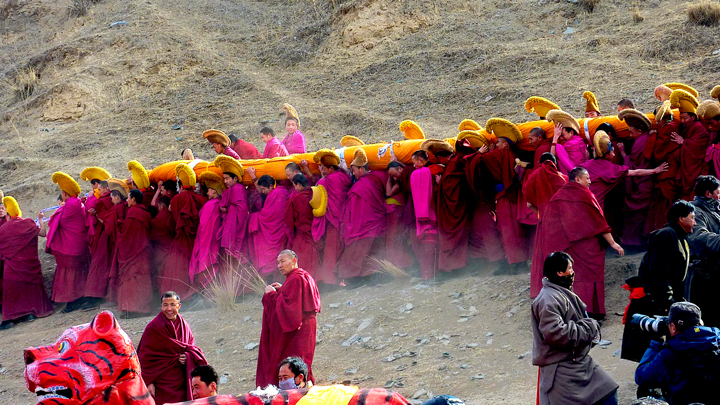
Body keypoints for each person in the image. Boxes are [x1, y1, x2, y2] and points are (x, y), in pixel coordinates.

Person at [531, 251, 619, 405]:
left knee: (608, 392)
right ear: (559, 272)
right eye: (570, 268)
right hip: (561, 368)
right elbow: (557, 334)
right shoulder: (547, 299)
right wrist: (589, 326)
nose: (572, 272)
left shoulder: (560, 292)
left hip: (579, 361)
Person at [540, 167, 624, 317]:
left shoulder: (557, 196)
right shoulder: (586, 195)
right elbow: (599, 221)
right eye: (587, 178)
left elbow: (550, 225)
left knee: (572, 278)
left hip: (566, 247)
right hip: (586, 246)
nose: (590, 182)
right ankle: (593, 312)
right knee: (589, 277)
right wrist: (612, 243)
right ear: (577, 179)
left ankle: (573, 312)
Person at [621, 200, 696, 363]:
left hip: (664, 299)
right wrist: (666, 301)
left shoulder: (679, 237)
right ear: (681, 218)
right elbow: (658, 270)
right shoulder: (666, 235)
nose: (695, 222)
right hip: (654, 300)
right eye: (692, 217)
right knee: (651, 347)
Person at [256, 250, 321, 388]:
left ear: (294, 261)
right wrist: (281, 291)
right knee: (301, 360)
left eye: (283, 261)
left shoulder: (297, 278)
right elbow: (292, 301)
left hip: (298, 330)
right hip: (305, 326)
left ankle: (298, 390)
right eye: (278, 263)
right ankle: (305, 386)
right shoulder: (301, 276)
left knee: (293, 361)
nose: (279, 265)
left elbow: (290, 310)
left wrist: (270, 296)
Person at [635, 302, 720, 405]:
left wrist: (655, 343)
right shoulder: (717, 340)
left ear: (673, 327)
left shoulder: (670, 353)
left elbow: (642, 377)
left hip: (685, 401)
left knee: (644, 391)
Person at [138, 291, 208, 404]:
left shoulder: (184, 326)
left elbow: (191, 348)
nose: (169, 308)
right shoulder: (153, 328)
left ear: (179, 306)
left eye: (172, 304)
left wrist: (187, 356)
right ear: (161, 306)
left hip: (182, 381)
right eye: (165, 305)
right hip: (161, 383)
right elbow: (144, 357)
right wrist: (148, 382)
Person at [336, 148, 388, 287]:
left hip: (363, 224)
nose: (353, 174)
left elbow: (358, 206)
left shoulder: (362, 185)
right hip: (375, 222)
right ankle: (370, 277)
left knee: (358, 251)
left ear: (362, 169)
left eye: (354, 170)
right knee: (372, 251)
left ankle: (354, 279)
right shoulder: (377, 177)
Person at [0, 196, 54, 330]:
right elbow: (42, 233)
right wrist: (41, 220)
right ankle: (29, 314)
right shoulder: (28, 223)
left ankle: (11, 318)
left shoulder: (3, 229)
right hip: (29, 266)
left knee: (11, 292)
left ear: (7, 214)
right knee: (29, 292)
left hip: (12, 268)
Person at [39, 172, 89, 313]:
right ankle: (79, 298)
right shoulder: (77, 203)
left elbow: (58, 220)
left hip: (70, 246)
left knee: (70, 274)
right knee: (78, 272)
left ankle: (73, 300)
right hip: (77, 243)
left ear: (65, 194)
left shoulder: (71, 205)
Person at [582, 130, 667, 210]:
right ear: (606, 155)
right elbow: (636, 172)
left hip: (581, 201)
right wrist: (655, 170)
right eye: (612, 152)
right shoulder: (611, 169)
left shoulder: (587, 164)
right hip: (594, 206)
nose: (614, 155)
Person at [523, 153, 568, 297]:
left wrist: (541, 210)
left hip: (545, 221)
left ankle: (545, 289)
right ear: (555, 163)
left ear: (540, 162)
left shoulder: (534, 176)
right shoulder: (562, 177)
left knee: (546, 255)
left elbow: (529, 203)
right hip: (562, 223)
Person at [161, 164, 207, 301]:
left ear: (180, 186)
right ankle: (197, 293)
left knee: (178, 267)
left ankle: (181, 296)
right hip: (197, 239)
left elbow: (170, 216)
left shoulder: (177, 199)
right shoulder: (202, 199)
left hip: (181, 239)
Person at [311, 150, 351, 285]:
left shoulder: (329, 179)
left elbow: (319, 187)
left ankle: (331, 279)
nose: (322, 170)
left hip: (334, 219)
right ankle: (342, 277)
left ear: (331, 168)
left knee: (332, 249)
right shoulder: (344, 176)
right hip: (345, 216)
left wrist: (322, 177)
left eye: (324, 168)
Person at [686, 175, 720, 327]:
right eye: (718, 193)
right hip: (703, 276)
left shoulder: (714, 209)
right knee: (708, 320)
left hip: (716, 272)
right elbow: (700, 238)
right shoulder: (694, 213)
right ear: (708, 194)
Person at [115, 189, 153, 316]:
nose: (126, 200)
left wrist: (120, 225)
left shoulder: (133, 212)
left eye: (128, 198)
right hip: (144, 251)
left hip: (133, 252)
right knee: (142, 278)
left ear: (133, 199)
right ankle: (145, 308)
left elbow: (127, 233)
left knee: (132, 278)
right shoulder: (144, 212)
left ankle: (133, 309)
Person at [247, 173, 290, 279]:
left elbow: (268, 215)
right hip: (279, 229)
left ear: (271, 186)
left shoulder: (276, 194)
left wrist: (252, 217)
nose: (262, 192)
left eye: (263, 189)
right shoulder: (282, 191)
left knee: (268, 250)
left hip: (274, 228)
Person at [670, 89, 709, 200]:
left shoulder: (699, 128)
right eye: (681, 118)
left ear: (693, 117)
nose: (682, 121)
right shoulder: (686, 127)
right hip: (686, 168)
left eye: (685, 118)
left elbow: (698, 149)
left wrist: (683, 142)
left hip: (697, 169)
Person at [189, 172, 224, 288]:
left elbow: (205, 225)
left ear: (214, 191)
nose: (207, 193)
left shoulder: (211, 205)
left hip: (207, 239)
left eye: (209, 190)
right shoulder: (217, 204)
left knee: (205, 260)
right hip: (213, 238)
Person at [285, 174, 321, 279]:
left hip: (302, 233)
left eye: (294, 186)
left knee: (301, 259)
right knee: (313, 258)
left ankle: (302, 281)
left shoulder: (297, 198)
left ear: (299, 185)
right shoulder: (313, 192)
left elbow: (289, 219)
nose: (295, 189)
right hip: (314, 230)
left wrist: (292, 230)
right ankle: (314, 281)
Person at [214, 155, 249, 263]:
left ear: (235, 178)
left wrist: (228, 209)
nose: (225, 181)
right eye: (224, 179)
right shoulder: (233, 188)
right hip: (232, 219)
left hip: (235, 222)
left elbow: (241, 209)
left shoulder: (237, 188)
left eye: (227, 178)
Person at [547, 110, 589, 175]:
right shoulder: (581, 141)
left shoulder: (570, 144)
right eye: (559, 135)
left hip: (575, 175)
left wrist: (555, 137)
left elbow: (552, 156)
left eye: (562, 135)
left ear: (571, 132)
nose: (561, 138)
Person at [149, 195, 174, 292]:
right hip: (172, 249)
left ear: (162, 206)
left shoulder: (160, 218)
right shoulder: (172, 215)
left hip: (162, 251)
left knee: (161, 276)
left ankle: (162, 298)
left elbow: (152, 234)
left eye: (158, 207)